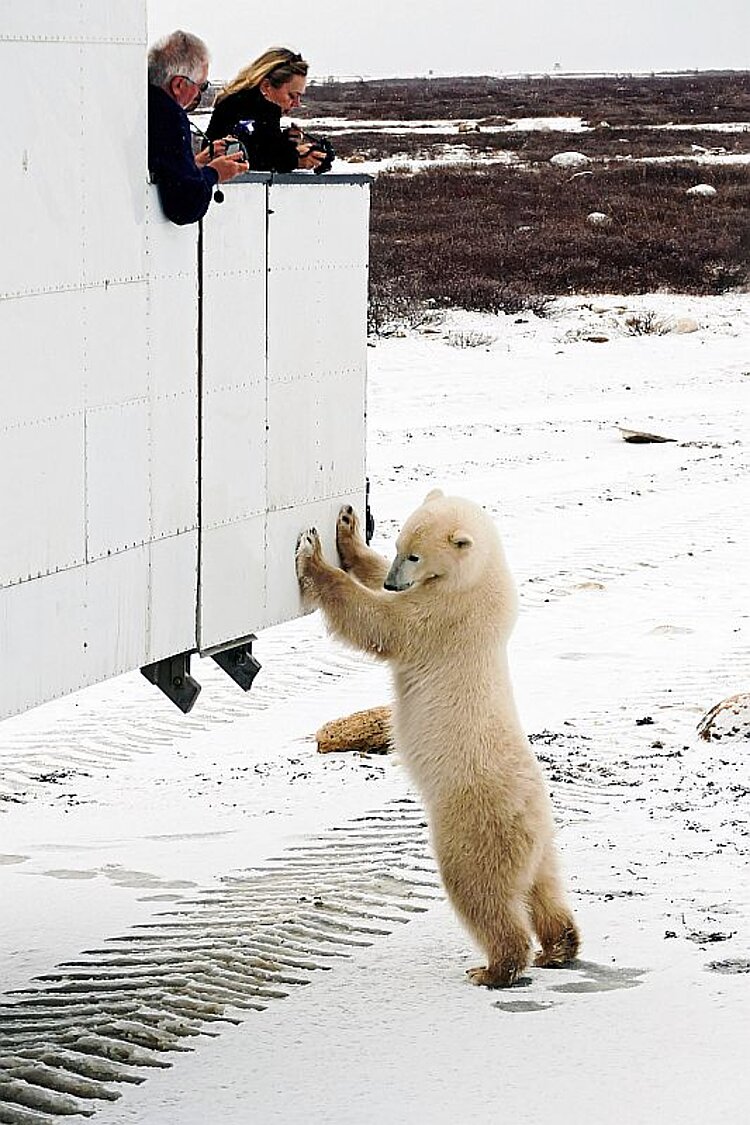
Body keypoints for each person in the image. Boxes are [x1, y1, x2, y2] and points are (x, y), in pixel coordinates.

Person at [148, 30, 248, 225]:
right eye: (201, 86)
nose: (199, 94)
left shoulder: (143, 103)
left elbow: (165, 168)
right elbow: (184, 206)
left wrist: (194, 165)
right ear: (178, 85)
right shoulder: (169, 117)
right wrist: (214, 173)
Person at [205, 48, 324, 173]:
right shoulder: (256, 108)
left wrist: (286, 143)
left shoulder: (239, 104)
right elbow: (260, 158)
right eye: (291, 95)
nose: (297, 104)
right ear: (266, 86)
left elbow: (260, 146)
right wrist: (297, 160)